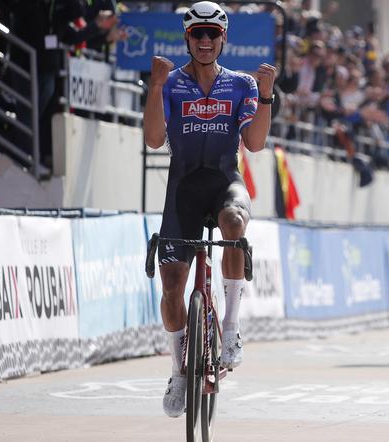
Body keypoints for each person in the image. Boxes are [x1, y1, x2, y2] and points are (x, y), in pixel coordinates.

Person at [142, 1, 276, 418]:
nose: (204, 41)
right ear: (187, 38)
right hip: (182, 188)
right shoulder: (172, 83)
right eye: (197, 34)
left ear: (223, 39)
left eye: (212, 34)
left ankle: (232, 329)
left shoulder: (242, 84)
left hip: (223, 182)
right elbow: (151, 139)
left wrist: (267, 95)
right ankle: (180, 369)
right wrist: (156, 88)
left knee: (234, 222)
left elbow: (253, 145)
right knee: (170, 286)